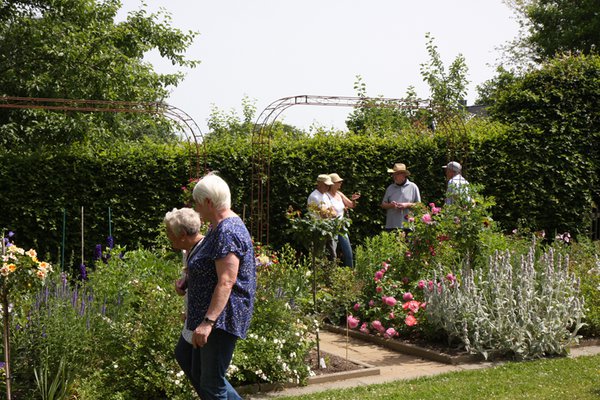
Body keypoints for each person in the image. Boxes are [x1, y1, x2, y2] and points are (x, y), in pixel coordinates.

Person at [185, 173, 256, 400]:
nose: (196, 209)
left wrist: (208, 323)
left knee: (212, 383)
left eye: (197, 203)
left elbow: (227, 280)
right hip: (214, 316)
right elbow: (209, 265)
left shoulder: (228, 230)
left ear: (208, 202)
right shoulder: (219, 227)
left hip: (222, 319)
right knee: (201, 374)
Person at [164, 207, 207, 396]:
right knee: (185, 358)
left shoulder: (204, 250)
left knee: (205, 374)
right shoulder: (187, 250)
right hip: (193, 316)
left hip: (204, 320)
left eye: (169, 232)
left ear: (181, 234)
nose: (167, 236)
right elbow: (191, 281)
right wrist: (182, 285)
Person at [327, 173, 360, 267]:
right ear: (332, 184)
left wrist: (353, 200)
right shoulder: (326, 196)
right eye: (339, 182)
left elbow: (351, 205)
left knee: (348, 251)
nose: (341, 183)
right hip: (332, 227)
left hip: (342, 226)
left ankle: (350, 272)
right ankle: (332, 274)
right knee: (333, 252)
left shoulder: (339, 194)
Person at [381, 163, 421, 232]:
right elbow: (383, 205)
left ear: (404, 175)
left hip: (408, 226)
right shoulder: (390, 188)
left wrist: (407, 205)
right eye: (393, 174)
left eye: (396, 174)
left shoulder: (413, 187)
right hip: (391, 225)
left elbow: (419, 205)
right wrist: (391, 205)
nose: (394, 176)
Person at [307, 174, 336, 259]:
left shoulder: (325, 195)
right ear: (319, 183)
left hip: (327, 228)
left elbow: (334, 212)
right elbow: (323, 215)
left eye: (329, 185)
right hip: (318, 229)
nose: (328, 187)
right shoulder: (314, 196)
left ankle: (331, 271)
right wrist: (329, 212)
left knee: (332, 254)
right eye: (326, 185)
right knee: (319, 254)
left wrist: (328, 212)